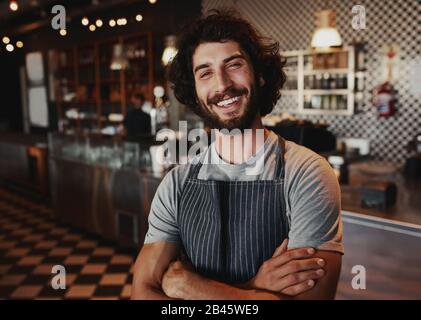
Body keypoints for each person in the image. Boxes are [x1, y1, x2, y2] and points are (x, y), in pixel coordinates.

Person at [132, 10, 344, 300]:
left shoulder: (306, 173)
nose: (222, 85)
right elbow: (143, 293)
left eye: (234, 65)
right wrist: (255, 287)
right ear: (194, 92)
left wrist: (193, 288)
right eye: (205, 72)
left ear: (259, 75)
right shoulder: (177, 185)